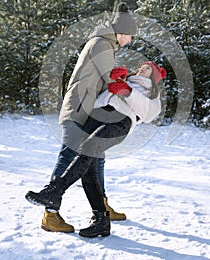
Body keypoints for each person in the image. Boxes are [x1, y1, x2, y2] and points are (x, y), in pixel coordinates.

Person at [25, 61, 167, 238]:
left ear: (154, 76)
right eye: (141, 66)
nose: (140, 69)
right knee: (88, 169)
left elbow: (149, 113)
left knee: (88, 148)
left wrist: (127, 91)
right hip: (96, 116)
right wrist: (111, 80)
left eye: (146, 68)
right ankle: (101, 220)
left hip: (119, 121)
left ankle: (55, 191)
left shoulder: (151, 93)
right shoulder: (126, 79)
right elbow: (102, 93)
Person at [38, 2, 137, 233]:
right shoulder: (101, 44)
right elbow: (112, 80)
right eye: (130, 36)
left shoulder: (105, 45)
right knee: (67, 158)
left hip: (90, 113)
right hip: (79, 110)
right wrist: (140, 84)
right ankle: (50, 215)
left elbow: (111, 78)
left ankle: (101, 206)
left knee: (98, 158)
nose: (131, 41)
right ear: (121, 33)